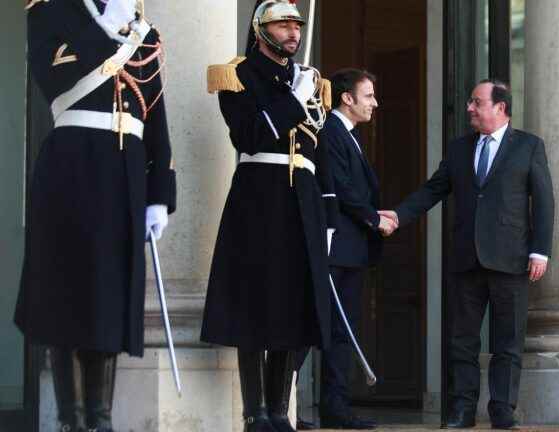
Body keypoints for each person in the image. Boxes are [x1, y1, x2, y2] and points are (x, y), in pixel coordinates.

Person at [15, 1, 176, 431]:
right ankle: (70, 419)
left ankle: (99, 418)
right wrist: (104, 32)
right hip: (72, 162)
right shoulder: (48, 14)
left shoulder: (144, 32)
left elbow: (156, 118)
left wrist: (159, 193)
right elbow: (53, 81)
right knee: (65, 295)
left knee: (110, 298)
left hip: (126, 172)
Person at [381, 79, 554, 429]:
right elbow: (434, 189)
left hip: (511, 258)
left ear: (500, 108)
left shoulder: (528, 146)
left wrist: (540, 251)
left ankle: (502, 409)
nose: (470, 109)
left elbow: (545, 200)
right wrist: (399, 215)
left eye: (477, 102)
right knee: (462, 340)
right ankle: (462, 409)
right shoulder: (460, 148)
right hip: (466, 258)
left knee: (508, 341)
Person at [200, 1, 338, 432]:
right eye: (283, 24)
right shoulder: (238, 75)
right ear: (260, 29)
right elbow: (250, 134)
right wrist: (294, 101)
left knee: (293, 308)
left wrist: (329, 213)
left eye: (296, 24)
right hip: (260, 197)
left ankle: (280, 412)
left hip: (304, 201)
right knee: (255, 305)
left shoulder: (312, 81)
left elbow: (322, 155)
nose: (293, 32)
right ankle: (254, 412)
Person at [313, 68, 389, 429]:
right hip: (336, 249)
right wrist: (374, 219)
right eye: (369, 95)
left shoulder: (349, 134)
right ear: (347, 98)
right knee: (323, 327)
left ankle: (334, 405)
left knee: (342, 330)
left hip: (350, 249)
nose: (375, 102)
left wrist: (374, 216)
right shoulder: (330, 131)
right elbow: (340, 187)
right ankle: (286, 404)